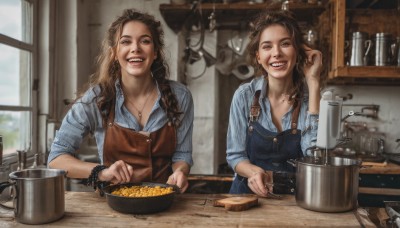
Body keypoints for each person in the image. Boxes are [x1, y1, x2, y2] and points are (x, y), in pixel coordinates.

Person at [48, 9, 194, 193]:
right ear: (114, 53)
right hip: (112, 207)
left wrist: (180, 171)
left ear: (155, 52)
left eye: (145, 41)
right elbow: (56, 158)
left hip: (165, 204)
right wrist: (101, 172)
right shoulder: (96, 99)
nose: (135, 48)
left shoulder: (181, 96)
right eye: (126, 41)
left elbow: (182, 154)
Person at [226, 10, 323, 197]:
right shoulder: (244, 96)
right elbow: (235, 156)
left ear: (297, 51)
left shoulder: (311, 98)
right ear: (258, 56)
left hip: (296, 201)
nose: (276, 53)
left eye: (285, 44)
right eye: (267, 46)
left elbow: (315, 158)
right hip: (246, 198)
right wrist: (254, 172)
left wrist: (313, 82)